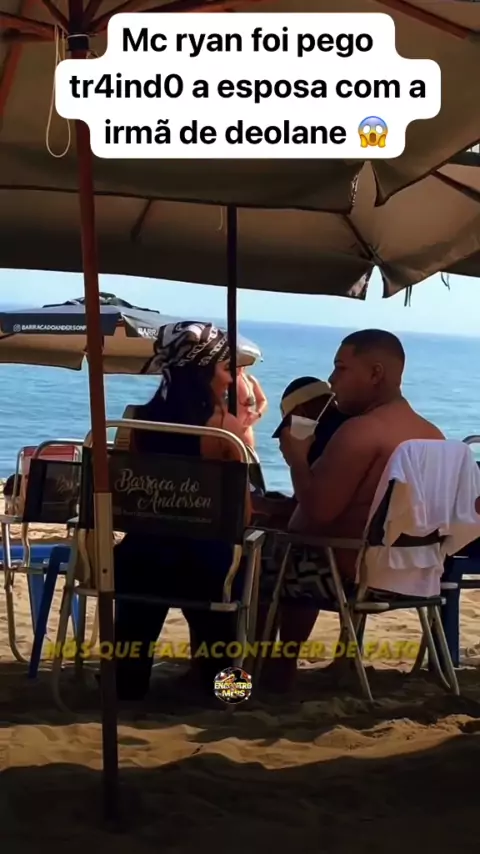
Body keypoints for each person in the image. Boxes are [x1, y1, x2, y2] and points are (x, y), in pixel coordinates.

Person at [269, 329, 445, 690]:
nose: (332, 380)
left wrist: (297, 459)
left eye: (341, 368)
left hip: (356, 578)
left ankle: (273, 666)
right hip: (417, 578)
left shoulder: (360, 432)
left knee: (263, 556)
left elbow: (316, 513)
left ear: (375, 373)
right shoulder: (434, 436)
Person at [113, 321, 250, 702]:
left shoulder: (138, 420)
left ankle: (127, 686)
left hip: (140, 564)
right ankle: (225, 692)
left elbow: (128, 495)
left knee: (138, 599)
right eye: (226, 368)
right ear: (204, 370)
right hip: (203, 569)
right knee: (227, 587)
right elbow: (242, 515)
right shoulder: (223, 428)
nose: (231, 378)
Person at [236, 366, 267, 449]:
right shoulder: (224, 381)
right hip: (225, 428)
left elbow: (262, 400)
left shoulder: (249, 380)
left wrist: (258, 414)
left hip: (245, 429)